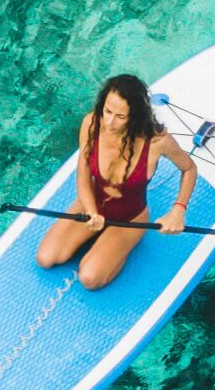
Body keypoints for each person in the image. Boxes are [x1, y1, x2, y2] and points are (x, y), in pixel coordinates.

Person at [35, 73, 197, 289]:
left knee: (89, 279)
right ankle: (99, 236)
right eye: (108, 111)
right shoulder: (91, 123)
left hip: (130, 219)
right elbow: (83, 174)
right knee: (45, 258)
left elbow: (189, 168)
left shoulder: (158, 142)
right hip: (89, 205)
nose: (110, 122)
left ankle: (119, 249)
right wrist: (92, 211)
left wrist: (178, 210)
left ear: (136, 116)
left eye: (121, 117)